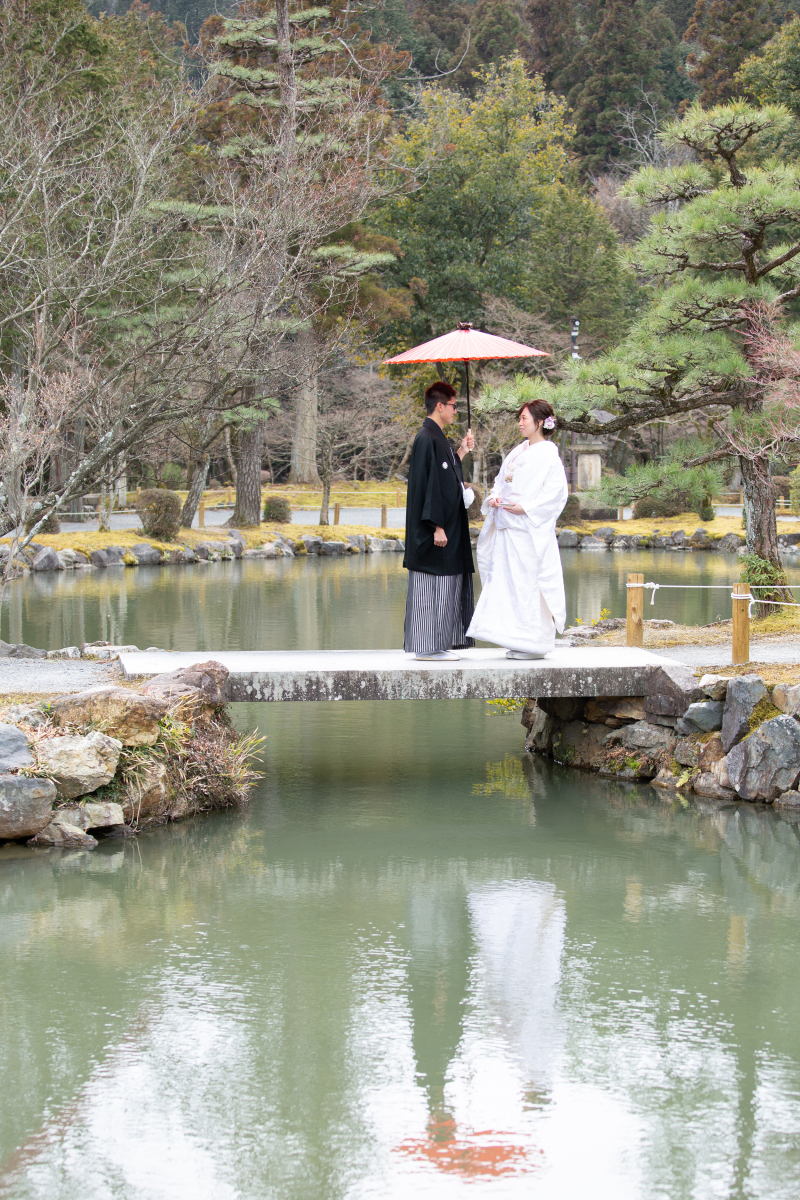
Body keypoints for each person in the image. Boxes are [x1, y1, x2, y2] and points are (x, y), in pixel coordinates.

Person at [467, 398, 568, 659]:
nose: (520, 423)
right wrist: (495, 497)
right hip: (508, 528)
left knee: (530, 587)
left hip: (529, 532)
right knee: (509, 586)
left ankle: (535, 644)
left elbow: (555, 494)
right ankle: (517, 639)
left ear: (540, 422)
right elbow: (500, 482)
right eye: (520, 418)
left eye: (524, 418)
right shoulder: (517, 451)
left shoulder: (549, 456)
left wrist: (527, 507)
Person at [403, 381, 476, 660]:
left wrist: (461, 452)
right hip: (434, 531)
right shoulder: (426, 437)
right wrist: (437, 525)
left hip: (445, 528)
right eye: (454, 406)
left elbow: (445, 475)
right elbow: (428, 486)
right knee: (430, 587)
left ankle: (436, 645)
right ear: (440, 406)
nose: (456, 411)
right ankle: (426, 648)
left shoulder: (437, 436)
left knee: (444, 586)